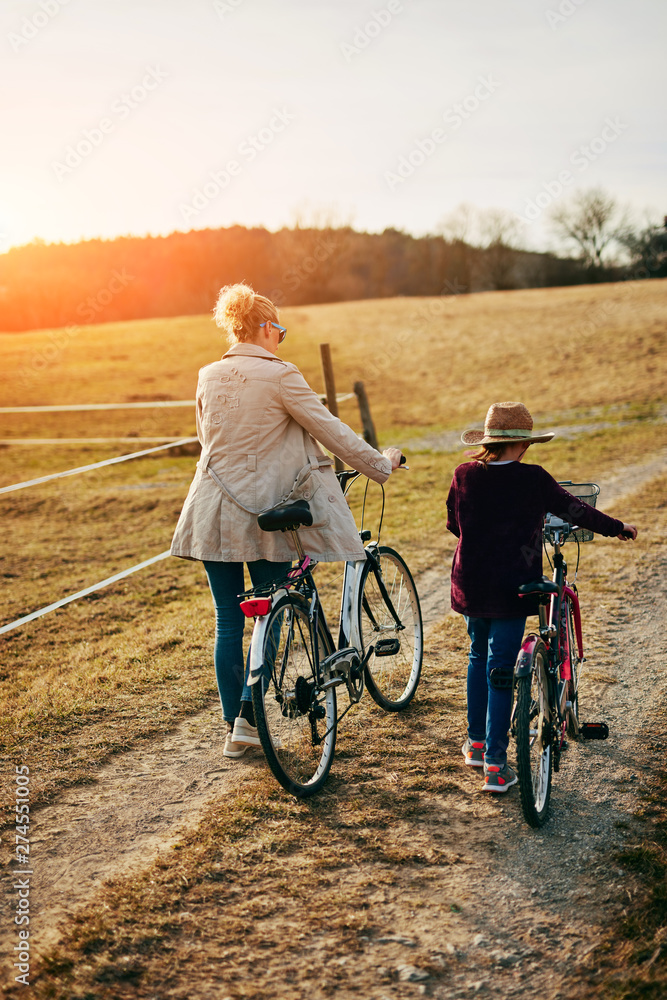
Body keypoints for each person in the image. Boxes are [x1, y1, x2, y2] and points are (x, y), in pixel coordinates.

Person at [171, 282, 403, 759]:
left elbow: (208, 440)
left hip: (212, 509)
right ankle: (249, 717)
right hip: (265, 512)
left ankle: (236, 724)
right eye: (279, 328)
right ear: (261, 327)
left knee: (227, 621)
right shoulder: (281, 375)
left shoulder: (208, 375)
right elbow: (330, 429)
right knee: (270, 610)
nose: (281, 337)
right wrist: (381, 464)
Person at [445, 401, 637, 793]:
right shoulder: (533, 479)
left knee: (477, 656)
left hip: (470, 584)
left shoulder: (463, 474)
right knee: (501, 671)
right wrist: (617, 527)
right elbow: (576, 511)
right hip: (513, 587)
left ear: (489, 442)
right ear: (523, 445)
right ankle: (496, 767)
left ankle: (477, 745)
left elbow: (454, 522)